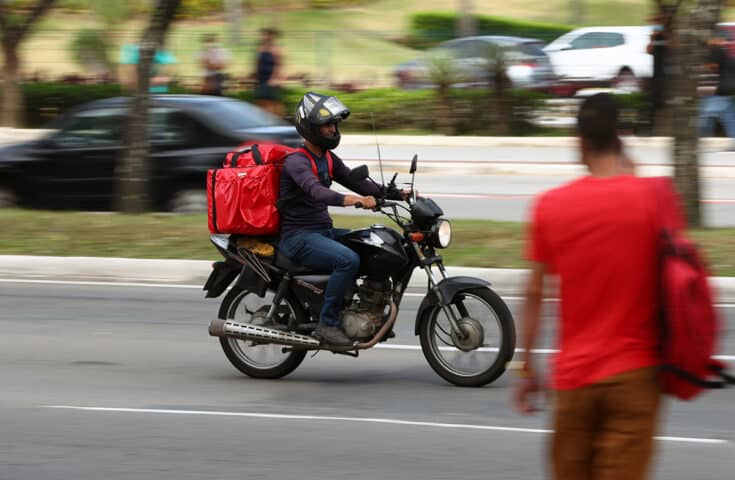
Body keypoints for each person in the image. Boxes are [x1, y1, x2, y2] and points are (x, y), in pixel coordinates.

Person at [514, 93, 676, 480]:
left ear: (579, 141)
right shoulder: (655, 198)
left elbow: (535, 294)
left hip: (574, 381)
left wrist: (526, 369)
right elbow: (677, 277)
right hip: (636, 378)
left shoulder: (550, 205)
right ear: (620, 139)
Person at [278, 92, 380, 347]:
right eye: (327, 125)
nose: (333, 130)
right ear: (310, 128)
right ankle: (328, 323)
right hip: (298, 237)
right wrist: (353, 201)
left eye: (335, 125)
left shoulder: (327, 158)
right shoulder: (297, 162)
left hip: (322, 231)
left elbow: (356, 181)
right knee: (347, 260)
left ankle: (362, 306)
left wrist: (395, 193)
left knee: (375, 243)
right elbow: (317, 191)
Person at [698, 34, 735, 144]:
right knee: (727, 116)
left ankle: (702, 141)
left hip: (717, 90)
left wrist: (702, 66)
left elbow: (714, 66)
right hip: (725, 89)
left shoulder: (716, 49)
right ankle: (705, 140)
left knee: (704, 116)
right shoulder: (724, 51)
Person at [253, 27, 284, 116]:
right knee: (259, 101)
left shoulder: (276, 49)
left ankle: (280, 122)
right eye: (265, 35)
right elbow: (256, 63)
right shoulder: (260, 48)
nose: (266, 37)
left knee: (273, 103)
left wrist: (275, 79)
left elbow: (279, 65)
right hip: (261, 79)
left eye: (269, 35)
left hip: (271, 80)